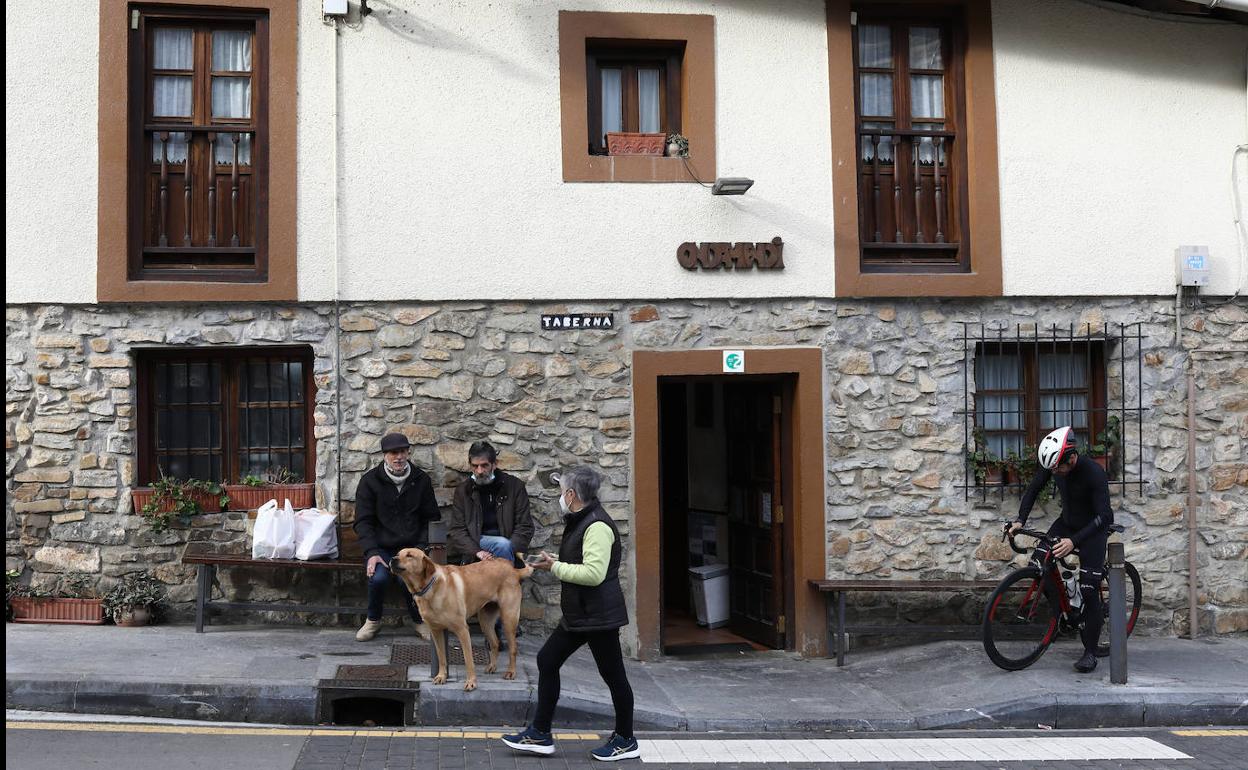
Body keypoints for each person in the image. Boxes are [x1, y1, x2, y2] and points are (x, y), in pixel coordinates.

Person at [501, 465, 639, 762]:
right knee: (547, 660)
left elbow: (593, 573)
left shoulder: (597, 525)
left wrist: (554, 567)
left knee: (613, 675)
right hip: (581, 613)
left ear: (572, 494)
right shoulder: (581, 520)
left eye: (561, 491)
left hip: (598, 616)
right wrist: (556, 559)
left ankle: (626, 739)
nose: (560, 496)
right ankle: (540, 733)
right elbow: (582, 559)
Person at [1007, 425, 1114, 673]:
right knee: (1039, 562)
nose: (1054, 472)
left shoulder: (1093, 473)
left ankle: (1090, 652)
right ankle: (1064, 612)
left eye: (1058, 468)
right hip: (1067, 523)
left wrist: (1074, 542)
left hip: (1092, 531)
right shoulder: (1054, 465)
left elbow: (1105, 516)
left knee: (1089, 589)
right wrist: (1020, 520)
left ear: (1072, 458)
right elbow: (1034, 488)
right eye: (1051, 469)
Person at [353, 432, 441, 642]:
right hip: (382, 547)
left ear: (408, 453)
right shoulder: (370, 481)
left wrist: (420, 549)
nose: (398, 457)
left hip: (412, 547)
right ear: (385, 455)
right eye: (393, 453)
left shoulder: (421, 480)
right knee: (379, 577)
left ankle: (419, 620)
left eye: (402, 452)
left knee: (409, 578)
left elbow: (431, 517)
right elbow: (363, 522)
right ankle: (373, 620)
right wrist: (372, 552)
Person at [447, 440, 534, 567]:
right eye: (475, 466)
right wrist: (478, 552)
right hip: (476, 545)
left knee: (502, 545)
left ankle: (506, 580)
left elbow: (525, 526)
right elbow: (457, 530)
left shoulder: (514, 486)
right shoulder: (463, 491)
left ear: (495, 464)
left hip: (508, 545)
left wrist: (508, 548)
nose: (479, 471)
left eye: (484, 465)